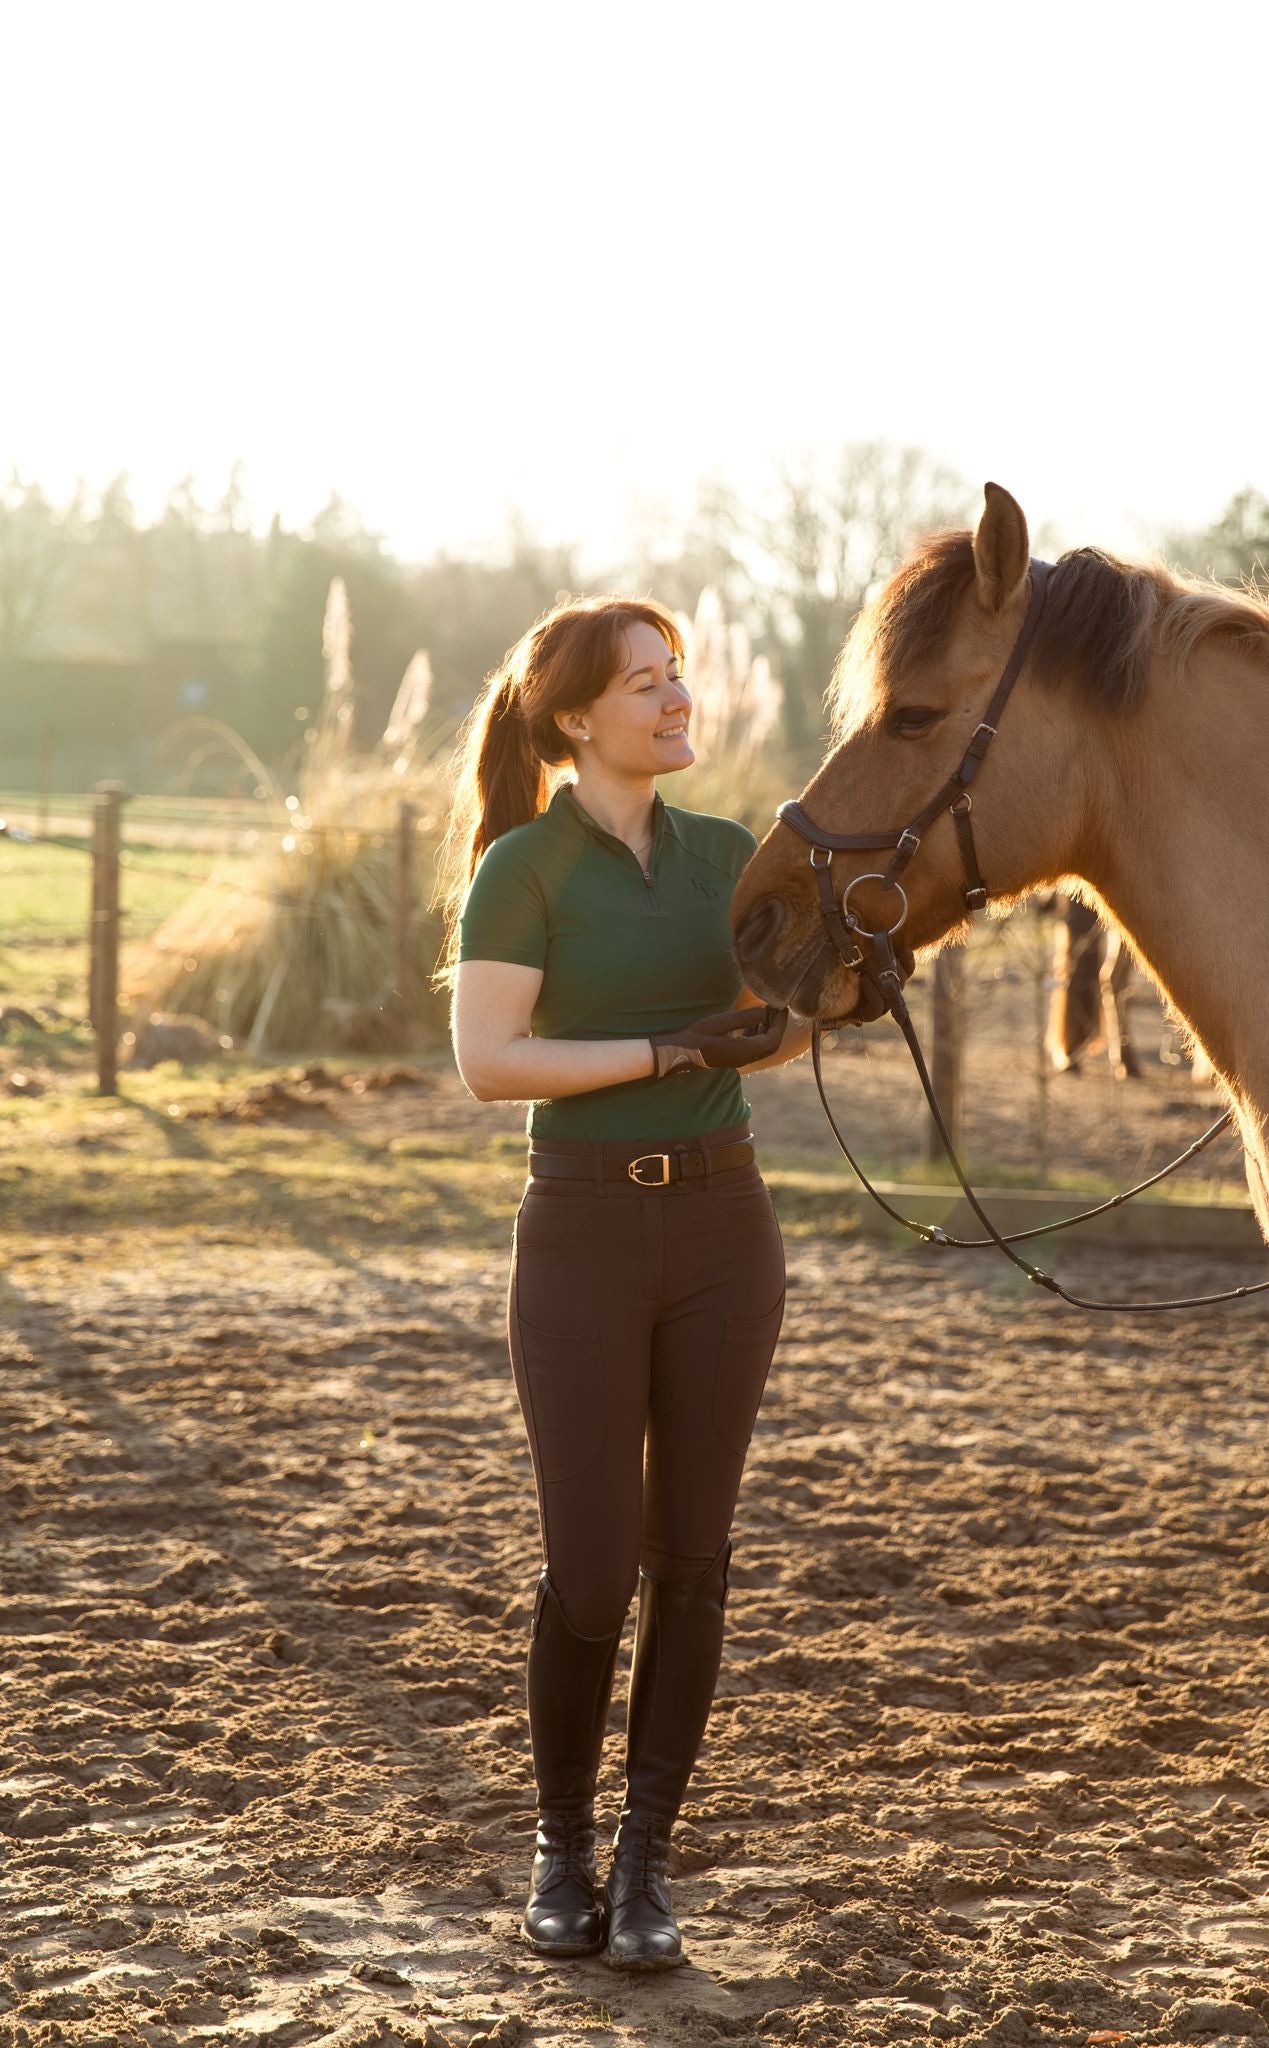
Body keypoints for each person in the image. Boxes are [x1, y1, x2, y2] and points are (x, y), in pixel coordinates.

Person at [439, 594, 811, 1971]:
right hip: (582, 1237)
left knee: (694, 1564)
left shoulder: (729, 853)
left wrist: (793, 1015)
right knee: (591, 1571)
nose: (674, 700)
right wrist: (666, 1052)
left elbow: (764, 1030)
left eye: (678, 676)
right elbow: (491, 1061)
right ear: (575, 718)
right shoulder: (524, 867)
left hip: (726, 1232)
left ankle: (647, 1861)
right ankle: (560, 1844)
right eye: (642, 685)